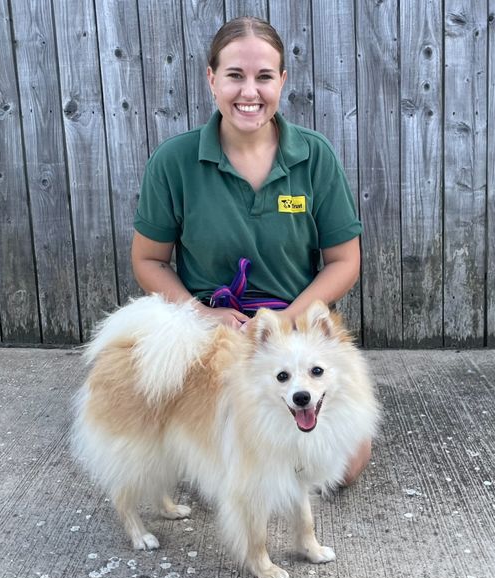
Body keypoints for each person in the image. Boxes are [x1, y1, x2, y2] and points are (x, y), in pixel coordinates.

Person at [130, 16, 371, 485]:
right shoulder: (174, 162)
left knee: (345, 467)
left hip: (294, 331)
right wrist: (202, 314)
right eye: (235, 75)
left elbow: (345, 260)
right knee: (217, 464)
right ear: (211, 78)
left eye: (264, 77)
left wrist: (289, 322)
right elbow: (149, 260)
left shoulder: (314, 156)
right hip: (210, 333)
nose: (249, 92)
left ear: (282, 81)